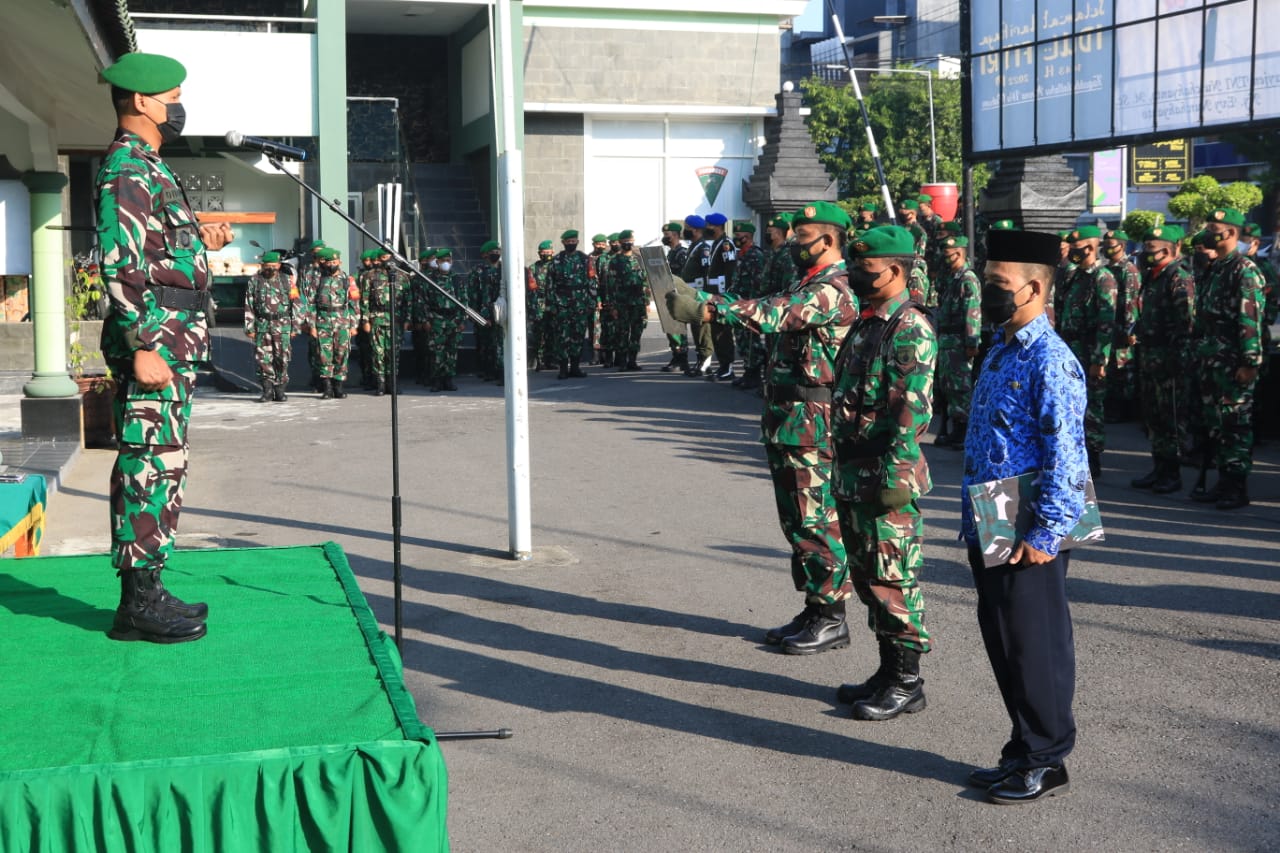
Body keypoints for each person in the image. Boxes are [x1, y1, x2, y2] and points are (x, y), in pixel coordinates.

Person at [665, 201, 858, 655]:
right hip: (791, 420)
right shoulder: (807, 283)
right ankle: (815, 606)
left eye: (802, 236)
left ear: (827, 241)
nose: (792, 242)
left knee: (816, 520)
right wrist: (709, 302)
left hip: (814, 423)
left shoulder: (833, 288)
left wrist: (710, 310)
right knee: (797, 520)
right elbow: (771, 307)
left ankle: (832, 614)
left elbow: (776, 314)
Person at [98, 51, 233, 643]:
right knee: (146, 465)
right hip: (153, 343)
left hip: (172, 341)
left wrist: (197, 238)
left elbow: (153, 250)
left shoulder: (150, 166)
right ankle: (137, 604)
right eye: (173, 99)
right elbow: (118, 262)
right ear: (144, 102)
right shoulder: (126, 167)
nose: (179, 109)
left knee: (165, 464)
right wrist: (136, 346)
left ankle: (149, 585)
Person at [963, 227, 1086, 804]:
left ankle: (1047, 757)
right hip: (993, 507)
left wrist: (1047, 531)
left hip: (1028, 517)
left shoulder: (1049, 358)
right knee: (1005, 639)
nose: (987, 291)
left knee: (1035, 645)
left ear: (1034, 287)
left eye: (996, 284)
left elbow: (1068, 452)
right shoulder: (1001, 343)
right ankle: (1022, 748)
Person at [829, 225, 936, 722]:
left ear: (895, 271)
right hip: (855, 469)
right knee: (867, 574)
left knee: (893, 575)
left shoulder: (908, 327)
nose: (853, 276)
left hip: (886, 475)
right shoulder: (869, 321)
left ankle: (906, 680)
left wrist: (895, 477)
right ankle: (886, 668)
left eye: (864, 270)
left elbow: (910, 411)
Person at [1189, 207, 1265, 509]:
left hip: (1233, 363)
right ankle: (1222, 481)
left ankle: (1236, 485)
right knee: (1216, 425)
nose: (1209, 232)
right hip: (1212, 362)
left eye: (1214, 227)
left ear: (1230, 232)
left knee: (1235, 425)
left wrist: (1250, 362)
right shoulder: (1217, 267)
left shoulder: (1243, 270)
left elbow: (1250, 321)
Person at [1131, 225, 1195, 494]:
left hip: (1169, 358)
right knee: (1154, 417)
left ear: (1167, 250)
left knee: (1170, 417)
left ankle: (1172, 472)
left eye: (1151, 249)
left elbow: (1187, 324)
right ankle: (1159, 467)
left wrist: (1178, 360)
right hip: (1150, 356)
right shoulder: (1153, 276)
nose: (1146, 254)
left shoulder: (1178, 277)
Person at [1055, 226, 1117, 475]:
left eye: (1077, 248)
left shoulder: (1103, 278)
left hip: (1090, 350)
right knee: (1071, 404)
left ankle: (1093, 457)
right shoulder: (1076, 277)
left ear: (1090, 249)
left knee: (1091, 406)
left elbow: (1106, 322)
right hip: (1071, 349)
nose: (1072, 253)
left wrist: (1100, 359)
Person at [932, 235, 982, 449]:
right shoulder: (952, 278)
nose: (945, 260)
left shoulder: (967, 279)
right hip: (946, 339)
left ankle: (964, 430)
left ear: (960, 253)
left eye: (949, 256)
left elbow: (972, 312)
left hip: (959, 340)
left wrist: (972, 341)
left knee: (960, 387)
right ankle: (954, 428)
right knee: (947, 386)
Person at [244, 251, 297, 402]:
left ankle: (280, 389)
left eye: (273, 266)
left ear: (279, 266)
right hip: (263, 325)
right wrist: (249, 326)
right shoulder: (255, 281)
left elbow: (297, 305)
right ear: (262, 266)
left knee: (282, 358)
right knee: (263, 359)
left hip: (283, 325)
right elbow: (249, 305)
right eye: (267, 266)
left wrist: (296, 327)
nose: (270, 269)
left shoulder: (288, 281)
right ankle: (267, 390)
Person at [1101, 230, 1141, 422]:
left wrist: (1129, 329)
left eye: (1111, 245)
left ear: (1122, 246)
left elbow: (1130, 301)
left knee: (1122, 366)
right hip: (1110, 325)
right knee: (1112, 368)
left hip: (1123, 326)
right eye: (1105, 245)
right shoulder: (1107, 269)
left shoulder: (1128, 269)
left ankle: (1125, 410)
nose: (1107, 249)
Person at [361, 249, 406, 395]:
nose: (386, 260)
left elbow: (408, 301)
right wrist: (365, 320)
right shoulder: (370, 276)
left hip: (396, 318)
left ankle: (393, 383)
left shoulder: (402, 276)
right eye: (383, 257)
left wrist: (408, 319)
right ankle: (380, 384)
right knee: (378, 353)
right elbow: (365, 299)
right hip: (377, 317)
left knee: (394, 352)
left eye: (388, 257)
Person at [548, 230, 593, 379]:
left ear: (578, 242)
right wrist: (552, 305)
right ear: (563, 243)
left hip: (580, 303)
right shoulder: (556, 261)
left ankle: (575, 367)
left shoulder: (585, 259)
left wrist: (591, 302)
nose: (571, 244)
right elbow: (549, 284)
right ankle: (562, 369)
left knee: (578, 336)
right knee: (562, 337)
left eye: (574, 241)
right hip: (562, 304)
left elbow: (592, 281)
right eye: (568, 242)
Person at [426, 248, 466, 391]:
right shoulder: (430, 279)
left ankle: (449, 379)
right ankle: (436, 380)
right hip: (436, 318)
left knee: (451, 351)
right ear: (437, 262)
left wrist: (461, 320)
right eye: (443, 261)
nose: (446, 263)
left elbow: (463, 301)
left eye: (448, 261)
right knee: (437, 352)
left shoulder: (456, 278)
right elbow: (423, 301)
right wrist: (426, 320)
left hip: (453, 319)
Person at [611, 230, 648, 371]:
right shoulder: (615, 260)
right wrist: (613, 306)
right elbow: (611, 284)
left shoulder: (639, 258)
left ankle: (632, 360)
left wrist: (646, 301)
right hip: (622, 303)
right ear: (620, 243)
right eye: (625, 240)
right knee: (622, 332)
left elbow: (645, 281)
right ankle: (622, 362)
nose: (629, 243)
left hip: (638, 302)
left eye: (631, 240)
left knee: (637, 332)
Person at [660, 221, 691, 372]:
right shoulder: (671, 252)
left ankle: (682, 358)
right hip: (669, 295)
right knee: (671, 329)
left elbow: (684, 277)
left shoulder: (682, 253)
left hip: (678, 295)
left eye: (667, 235)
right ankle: (676, 355)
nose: (665, 238)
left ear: (676, 235)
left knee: (678, 328)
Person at [527, 240, 555, 369]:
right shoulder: (534, 268)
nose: (546, 255)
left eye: (548, 252)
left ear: (552, 252)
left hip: (555, 302)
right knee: (539, 333)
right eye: (544, 253)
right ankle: (540, 361)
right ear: (539, 253)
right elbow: (531, 288)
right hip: (539, 303)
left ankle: (551, 360)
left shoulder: (557, 265)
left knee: (553, 332)